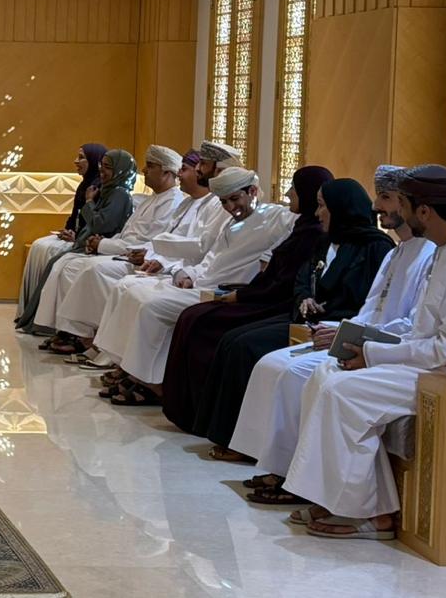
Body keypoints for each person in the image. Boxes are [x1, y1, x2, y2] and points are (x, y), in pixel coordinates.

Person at [283, 165, 446, 539]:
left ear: (424, 211)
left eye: (405, 206)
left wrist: (373, 356)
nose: (400, 215)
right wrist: (368, 343)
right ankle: (349, 502)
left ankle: (366, 513)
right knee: (327, 374)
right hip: (439, 364)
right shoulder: (445, 250)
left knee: (344, 391)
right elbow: (420, 329)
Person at [228, 166, 434, 498]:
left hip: (388, 349)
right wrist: (342, 330)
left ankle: (297, 479)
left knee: (296, 373)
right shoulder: (399, 251)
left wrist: (349, 336)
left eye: (385, 198)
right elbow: (371, 309)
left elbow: (412, 325)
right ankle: (279, 468)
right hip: (366, 339)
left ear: (409, 204)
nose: (376, 206)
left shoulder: (425, 254)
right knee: (273, 363)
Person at [194, 177, 395, 466]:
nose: (318, 213)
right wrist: (305, 297)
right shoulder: (325, 240)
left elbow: (366, 297)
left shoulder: (375, 247)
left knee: (247, 348)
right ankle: (226, 433)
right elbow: (303, 277)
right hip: (305, 317)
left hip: (333, 325)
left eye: (323, 206)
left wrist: (328, 308)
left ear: (341, 209)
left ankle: (248, 444)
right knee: (233, 338)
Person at [91, 166, 294, 404]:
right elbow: (211, 260)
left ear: (253, 192)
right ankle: (131, 370)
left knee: (151, 308)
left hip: (224, 291)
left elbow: (302, 223)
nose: (230, 207)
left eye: (235, 199)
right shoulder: (231, 224)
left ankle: (152, 384)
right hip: (200, 283)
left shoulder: (276, 217)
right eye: (224, 202)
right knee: (133, 292)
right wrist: (187, 274)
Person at [160, 166, 334, 434]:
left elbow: (287, 283)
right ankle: (188, 409)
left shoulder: (307, 230)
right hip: (261, 294)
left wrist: (241, 295)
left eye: (294, 190)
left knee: (207, 324)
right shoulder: (302, 226)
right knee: (192, 316)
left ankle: (204, 415)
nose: (288, 194)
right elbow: (276, 272)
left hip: (276, 303)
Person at [48, 146, 231, 357]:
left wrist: (157, 260)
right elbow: (159, 239)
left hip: (180, 272)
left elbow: (198, 249)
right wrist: (151, 256)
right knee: (90, 271)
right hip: (158, 263)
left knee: (109, 277)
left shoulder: (206, 204)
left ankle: (100, 347)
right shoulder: (182, 203)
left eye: (189, 169)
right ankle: (94, 342)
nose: (183, 174)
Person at [26, 145, 188, 342]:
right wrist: (100, 241)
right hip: (121, 249)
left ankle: (84, 336)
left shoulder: (171, 202)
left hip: (140, 258)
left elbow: (145, 242)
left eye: (151, 166)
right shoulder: (152, 199)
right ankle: (69, 331)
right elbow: (126, 233)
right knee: (67, 265)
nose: (144, 170)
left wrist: (102, 244)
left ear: (167, 172)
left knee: (89, 269)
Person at [16, 148, 135, 333]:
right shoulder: (108, 190)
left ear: (120, 170)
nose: (102, 171)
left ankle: (59, 327)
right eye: (101, 166)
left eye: (107, 167)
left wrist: (89, 203)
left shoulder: (120, 194)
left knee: (60, 266)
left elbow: (100, 224)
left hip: (101, 246)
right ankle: (46, 323)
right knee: (54, 262)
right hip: (89, 243)